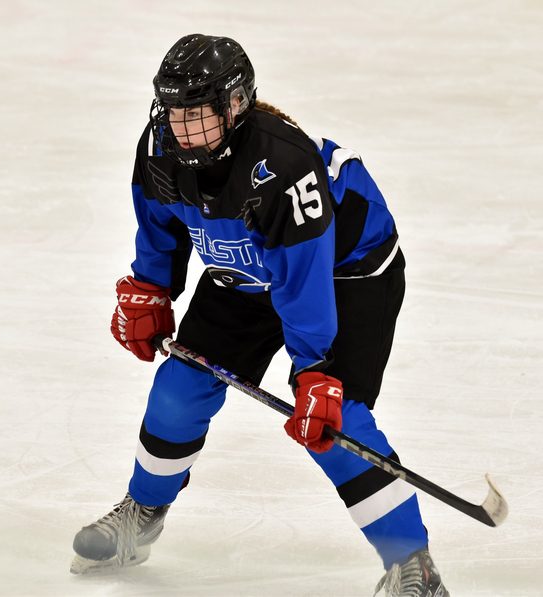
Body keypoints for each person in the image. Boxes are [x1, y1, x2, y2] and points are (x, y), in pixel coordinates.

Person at [71, 34, 450, 597]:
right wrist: (150, 288)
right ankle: (140, 514)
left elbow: (304, 277)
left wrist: (314, 370)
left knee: (334, 419)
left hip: (346, 274)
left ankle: (413, 565)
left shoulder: (285, 165)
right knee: (179, 388)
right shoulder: (158, 149)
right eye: (174, 113)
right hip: (247, 269)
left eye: (197, 115)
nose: (182, 129)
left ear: (236, 104)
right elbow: (159, 221)